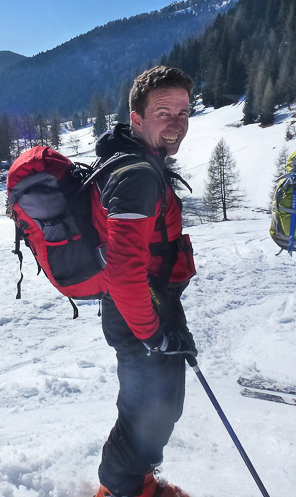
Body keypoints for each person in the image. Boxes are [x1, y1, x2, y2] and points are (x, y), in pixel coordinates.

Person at [92, 66, 196, 497]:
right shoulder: (137, 175)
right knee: (148, 407)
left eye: (183, 112)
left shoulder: (134, 160)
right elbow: (122, 270)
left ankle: (137, 482)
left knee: (156, 404)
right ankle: (120, 490)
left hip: (146, 304)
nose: (176, 123)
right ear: (136, 119)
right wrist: (154, 335)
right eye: (163, 112)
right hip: (139, 310)